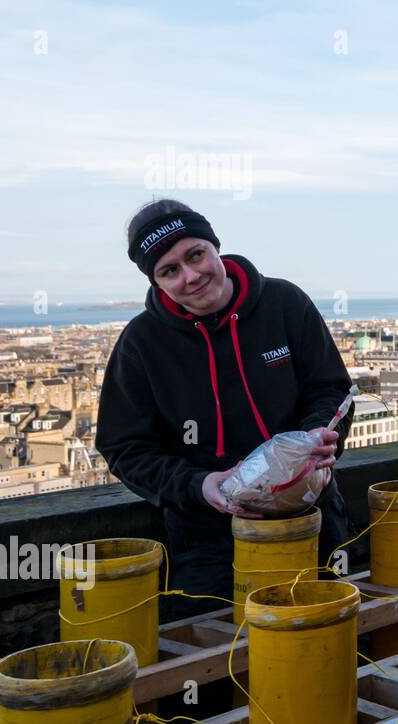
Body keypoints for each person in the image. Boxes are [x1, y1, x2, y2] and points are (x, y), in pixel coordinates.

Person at [97, 199, 354, 622]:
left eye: (195, 255)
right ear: (157, 282)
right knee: (214, 667)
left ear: (215, 246)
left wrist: (321, 435)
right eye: (169, 270)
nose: (191, 276)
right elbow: (124, 447)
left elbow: (330, 390)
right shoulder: (142, 344)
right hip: (206, 538)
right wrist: (199, 485)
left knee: (329, 644)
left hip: (313, 519)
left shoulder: (285, 304)